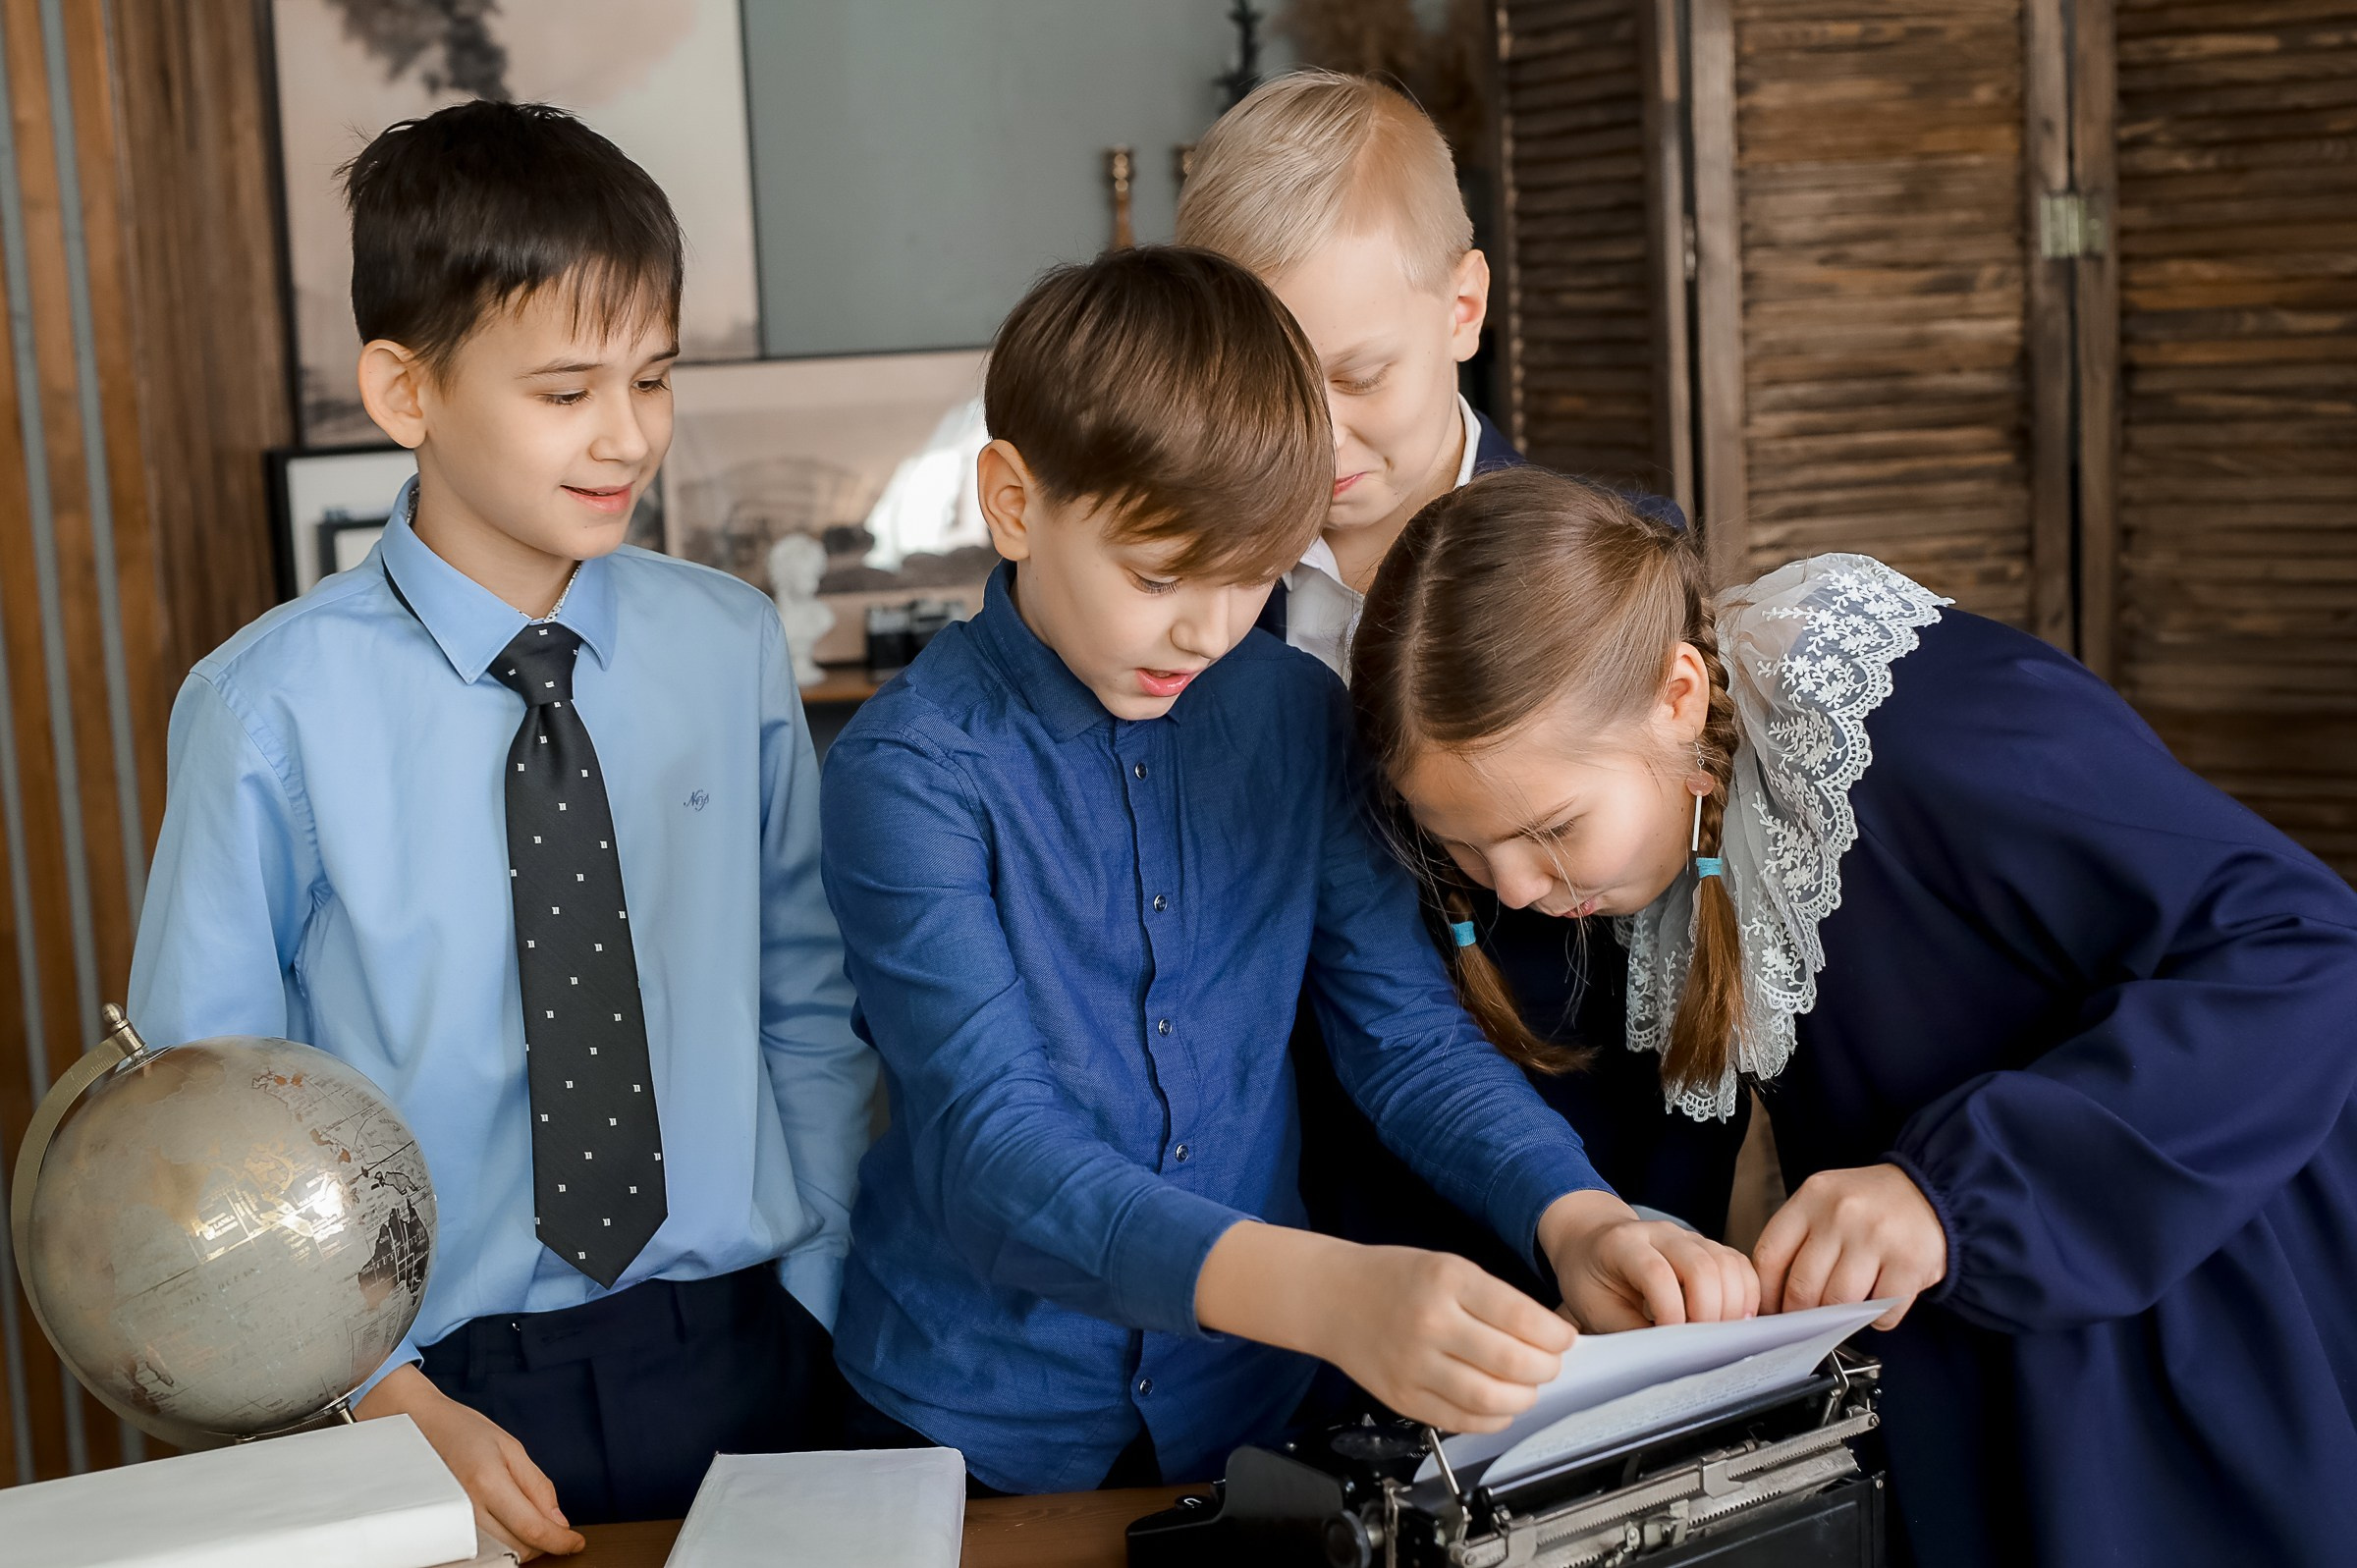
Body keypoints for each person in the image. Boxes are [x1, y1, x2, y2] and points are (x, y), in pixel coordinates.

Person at [820, 246, 1756, 1497]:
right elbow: (997, 1151)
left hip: (1244, 1409)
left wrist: (1575, 1214)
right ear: (1013, 500)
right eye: (1158, 576)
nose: (1208, 629)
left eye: (1254, 577)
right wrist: (1324, 1289)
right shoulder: (909, 771)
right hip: (972, 1417)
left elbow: (1403, 1035)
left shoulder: (1293, 713)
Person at [1348, 466, 2357, 1567]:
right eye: (1460, 845)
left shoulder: (1924, 729)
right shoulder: (1604, 838)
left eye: (1550, 831)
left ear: (1679, 694)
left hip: (2175, 1311)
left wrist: (1953, 1186)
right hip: (1948, 1378)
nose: (1515, 887)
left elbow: (2306, 948)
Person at [126, 102, 874, 1554]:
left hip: (750, 1340)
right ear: (407, 393)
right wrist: (374, 1391)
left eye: (654, 378)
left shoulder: (728, 647)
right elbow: (200, 1130)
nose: (627, 434)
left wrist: (824, 1291)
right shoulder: (266, 710)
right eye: (565, 389)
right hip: (427, 1388)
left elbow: (809, 1000)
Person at [1176, 69, 1744, 1271]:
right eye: (1269, 382)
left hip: (1615, 1205)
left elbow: (1708, 947)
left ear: (1463, 307)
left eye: (1359, 373)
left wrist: (1656, 1227)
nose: (1319, 434)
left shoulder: (1620, 559)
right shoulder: (1190, 621)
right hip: (1317, 1246)